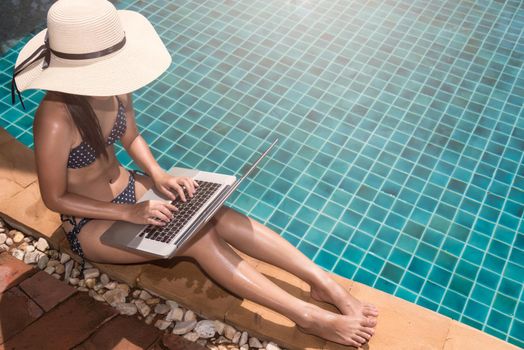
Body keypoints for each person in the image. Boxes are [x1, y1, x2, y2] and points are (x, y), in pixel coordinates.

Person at [11, 0, 378, 346]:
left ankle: (323, 284)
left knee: (213, 212)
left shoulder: (115, 83)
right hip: (90, 224)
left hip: (131, 190)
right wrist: (129, 212)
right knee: (197, 238)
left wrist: (157, 174)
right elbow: (54, 197)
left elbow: (131, 135)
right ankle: (306, 315)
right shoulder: (55, 117)